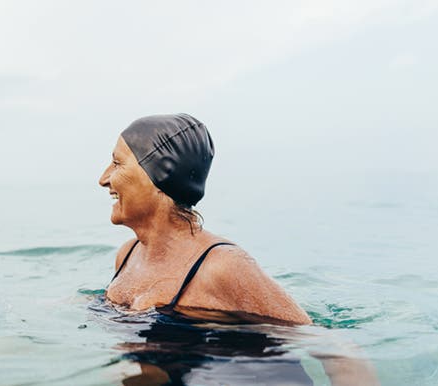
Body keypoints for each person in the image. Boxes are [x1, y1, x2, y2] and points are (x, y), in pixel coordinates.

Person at [98, 113, 312, 325]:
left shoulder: (222, 266)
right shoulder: (128, 254)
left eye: (117, 163)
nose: (104, 179)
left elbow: (316, 340)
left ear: (160, 174)